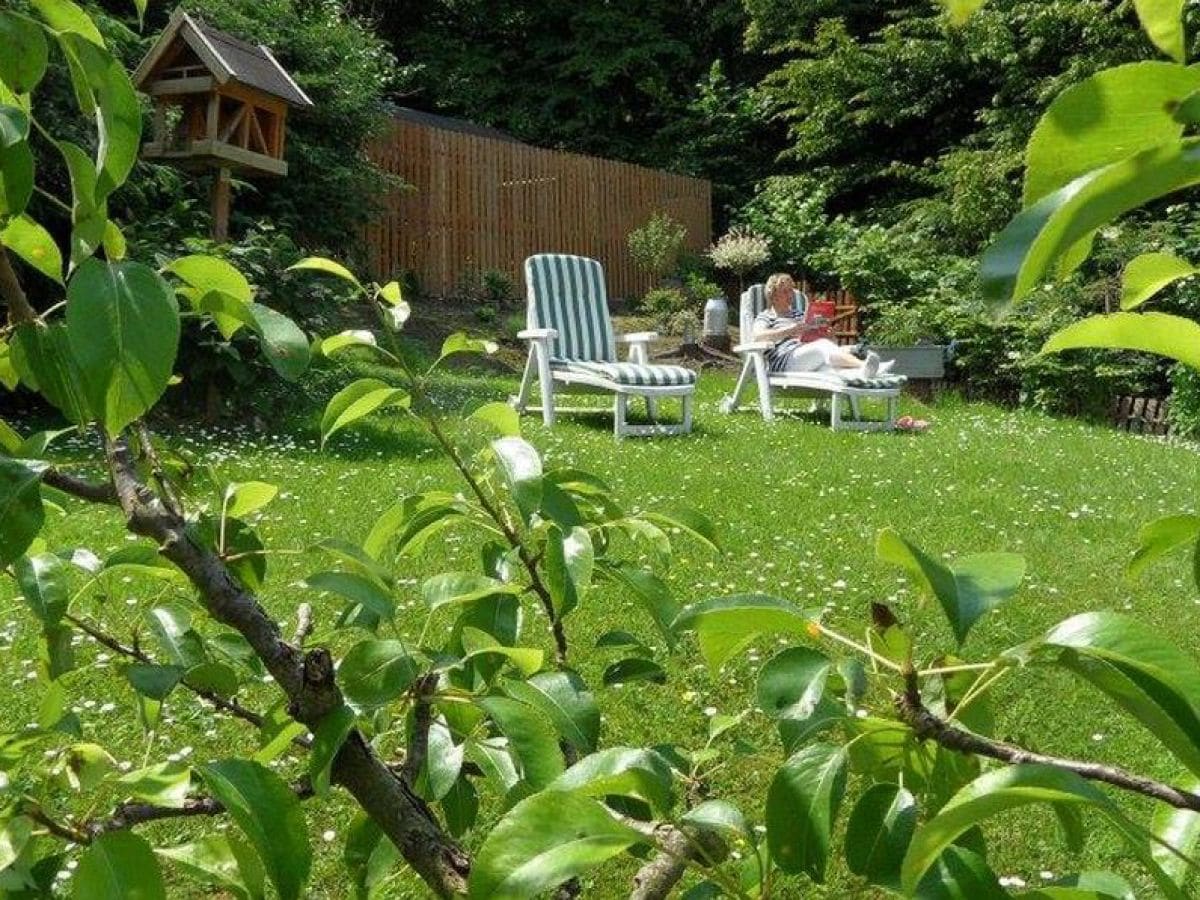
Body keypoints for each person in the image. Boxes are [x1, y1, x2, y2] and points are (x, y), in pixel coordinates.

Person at [753, 273, 893, 377]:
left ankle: (865, 372)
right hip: (784, 361)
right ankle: (870, 366)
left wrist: (829, 335)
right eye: (785, 291)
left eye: (791, 290)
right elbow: (758, 336)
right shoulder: (767, 316)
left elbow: (819, 341)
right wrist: (789, 330)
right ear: (773, 295)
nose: (790, 295)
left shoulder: (800, 315)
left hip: (807, 356)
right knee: (823, 346)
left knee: (835, 368)